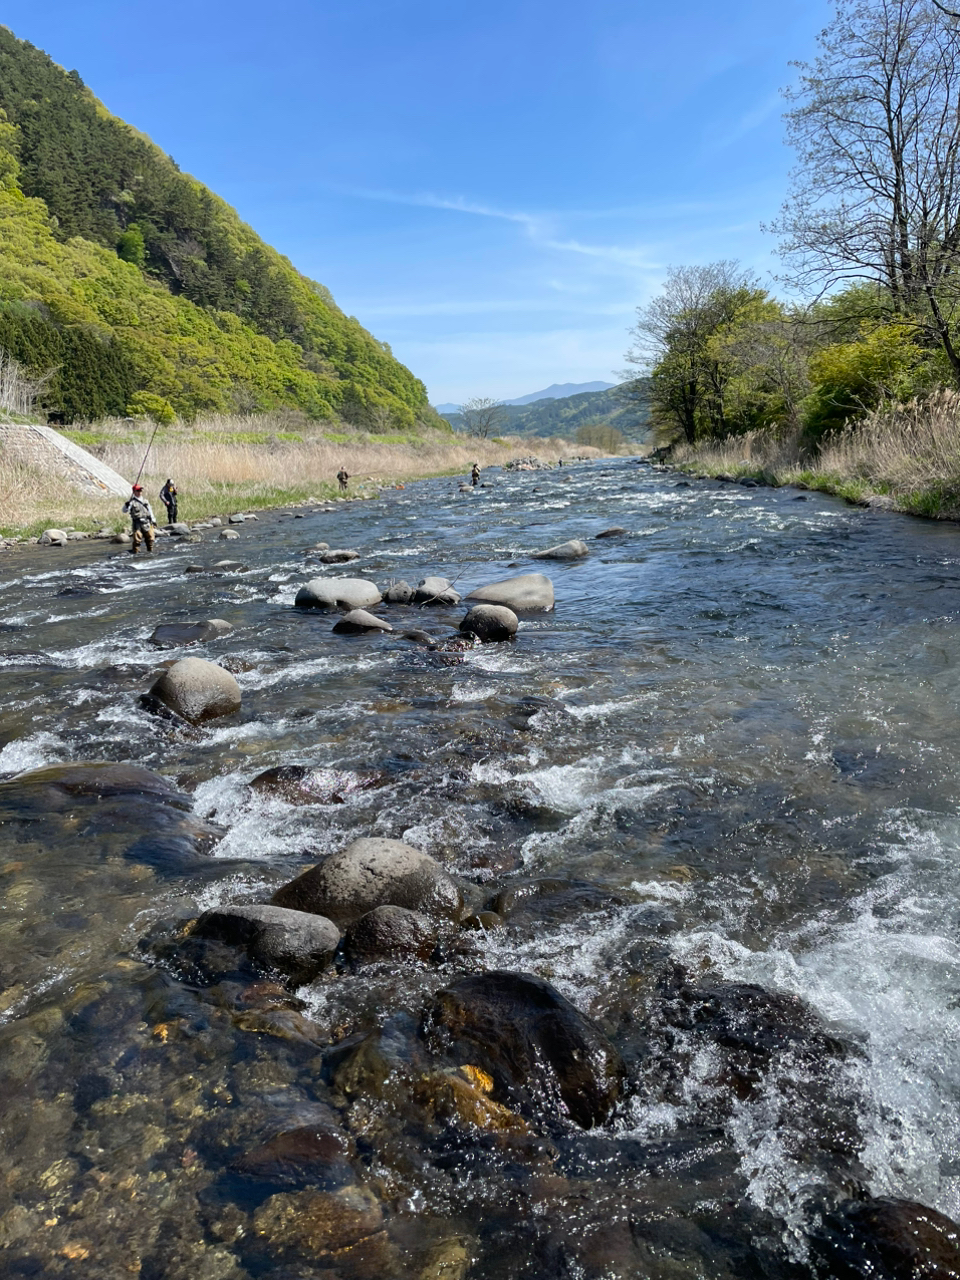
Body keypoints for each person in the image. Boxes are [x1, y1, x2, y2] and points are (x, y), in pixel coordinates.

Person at [122, 483, 156, 554]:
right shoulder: (131, 502)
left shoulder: (146, 501)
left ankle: (150, 552)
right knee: (137, 540)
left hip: (147, 522)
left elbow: (150, 511)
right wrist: (126, 505)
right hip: (137, 524)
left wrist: (153, 520)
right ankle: (136, 553)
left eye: (140, 490)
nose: (140, 492)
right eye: (138, 490)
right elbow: (124, 511)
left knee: (150, 539)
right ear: (134, 492)